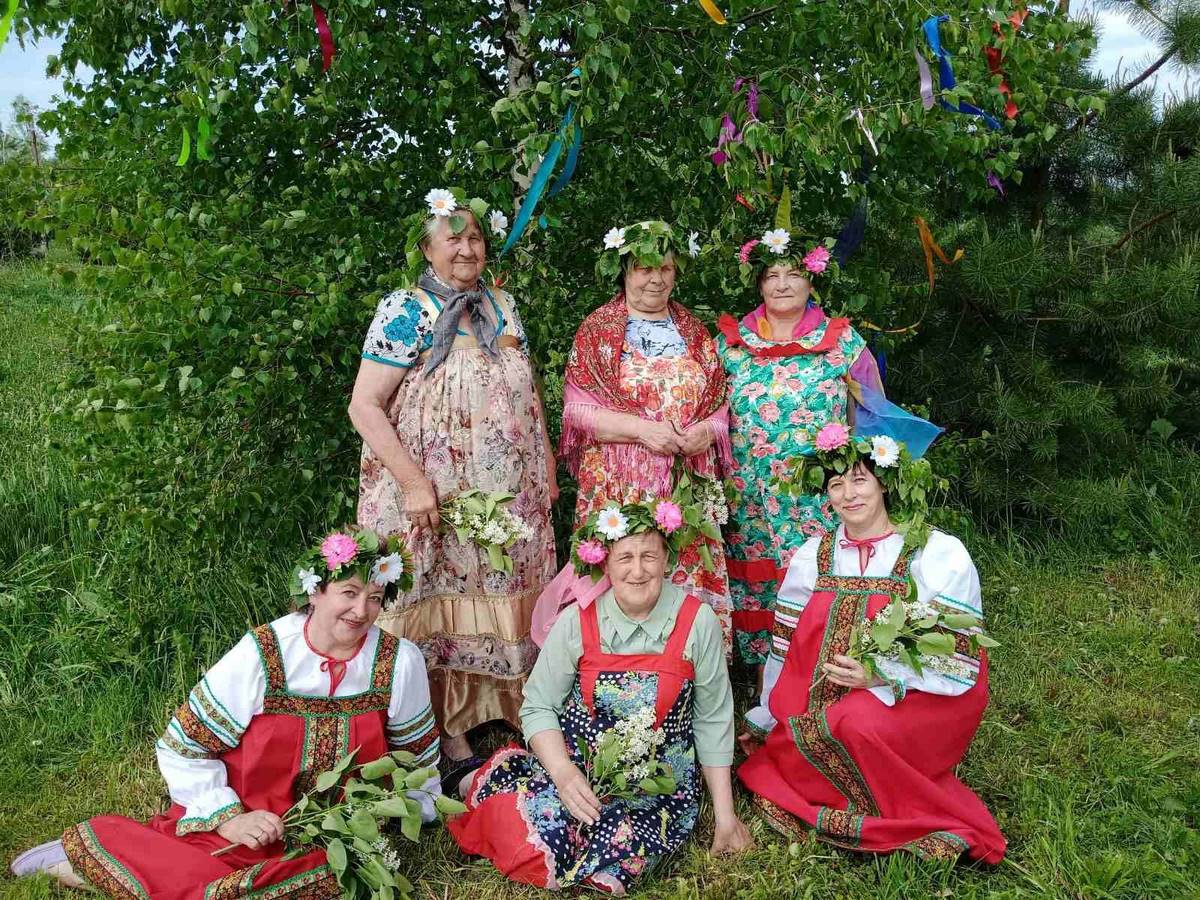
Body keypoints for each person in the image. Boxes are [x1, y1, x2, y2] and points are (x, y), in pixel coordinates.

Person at [10, 526, 442, 896]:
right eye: (349, 592)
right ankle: (108, 851)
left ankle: (133, 870)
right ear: (316, 591)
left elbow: (416, 753)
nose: (361, 611)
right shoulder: (265, 653)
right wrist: (231, 819)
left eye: (375, 597)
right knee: (228, 872)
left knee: (338, 879)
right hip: (251, 824)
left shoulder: (398, 661)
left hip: (335, 831)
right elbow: (184, 744)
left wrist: (410, 811)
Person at [350, 188, 557, 780]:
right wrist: (415, 484)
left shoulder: (502, 304)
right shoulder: (406, 310)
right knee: (438, 596)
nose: (467, 249)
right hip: (432, 495)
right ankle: (446, 730)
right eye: (453, 239)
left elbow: (528, 390)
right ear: (427, 248)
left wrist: (545, 464)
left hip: (508, 494)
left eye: (475, 238)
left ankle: (510, 709)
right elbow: (365, 406)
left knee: (503, 588)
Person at [449, 499, 753, 893]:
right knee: (527, 837)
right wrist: (563, 774)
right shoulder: (576, 621)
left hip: (656, 784)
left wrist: (726, 817)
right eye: (625, 557)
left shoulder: (698, 621)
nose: (638, 570)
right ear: (605, 563)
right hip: (581, 770)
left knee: (617, 852)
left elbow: (713, 718)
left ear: (667, 560)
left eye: (649, 556)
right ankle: (487, 786)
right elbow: (539, 706)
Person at [736, 427, 1007, 863]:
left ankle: (912, 814)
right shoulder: (812, 555)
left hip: (918, 695)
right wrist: (767, 713)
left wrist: (879, 675)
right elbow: (784, 645)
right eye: (836, 484)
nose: (848, 494)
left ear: (883, 483)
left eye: (859, 480)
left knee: (857, 724)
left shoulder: (934, 552)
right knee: (798, 736)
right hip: (821, 694)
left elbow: (957, 649)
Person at [555, 220, 733, 655]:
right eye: (644, 268)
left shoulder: (694, 333)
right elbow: (578, 412)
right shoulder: (598, 331)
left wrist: (705, 432)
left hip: (685, 487)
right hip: (619, 485)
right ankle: (616, 667)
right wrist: (644, 432)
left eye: (666, 268)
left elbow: (718, 404)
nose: (656, 279)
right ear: (625, 272)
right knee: (627, 569)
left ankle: (688, 667)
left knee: (684, 571)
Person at [717, 223, 883, 673]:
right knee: (755, 578)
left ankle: (820, 669)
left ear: (812, 281)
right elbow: (707, 414)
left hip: (817, 494)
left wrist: (863, 479)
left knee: (815, 574)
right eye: (772, 275)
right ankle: (761, 677)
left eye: (793, 274)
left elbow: (869, 415)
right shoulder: (731, 346)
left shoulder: (841, 342)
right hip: (748, 494)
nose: (783, 284)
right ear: (759, 284)